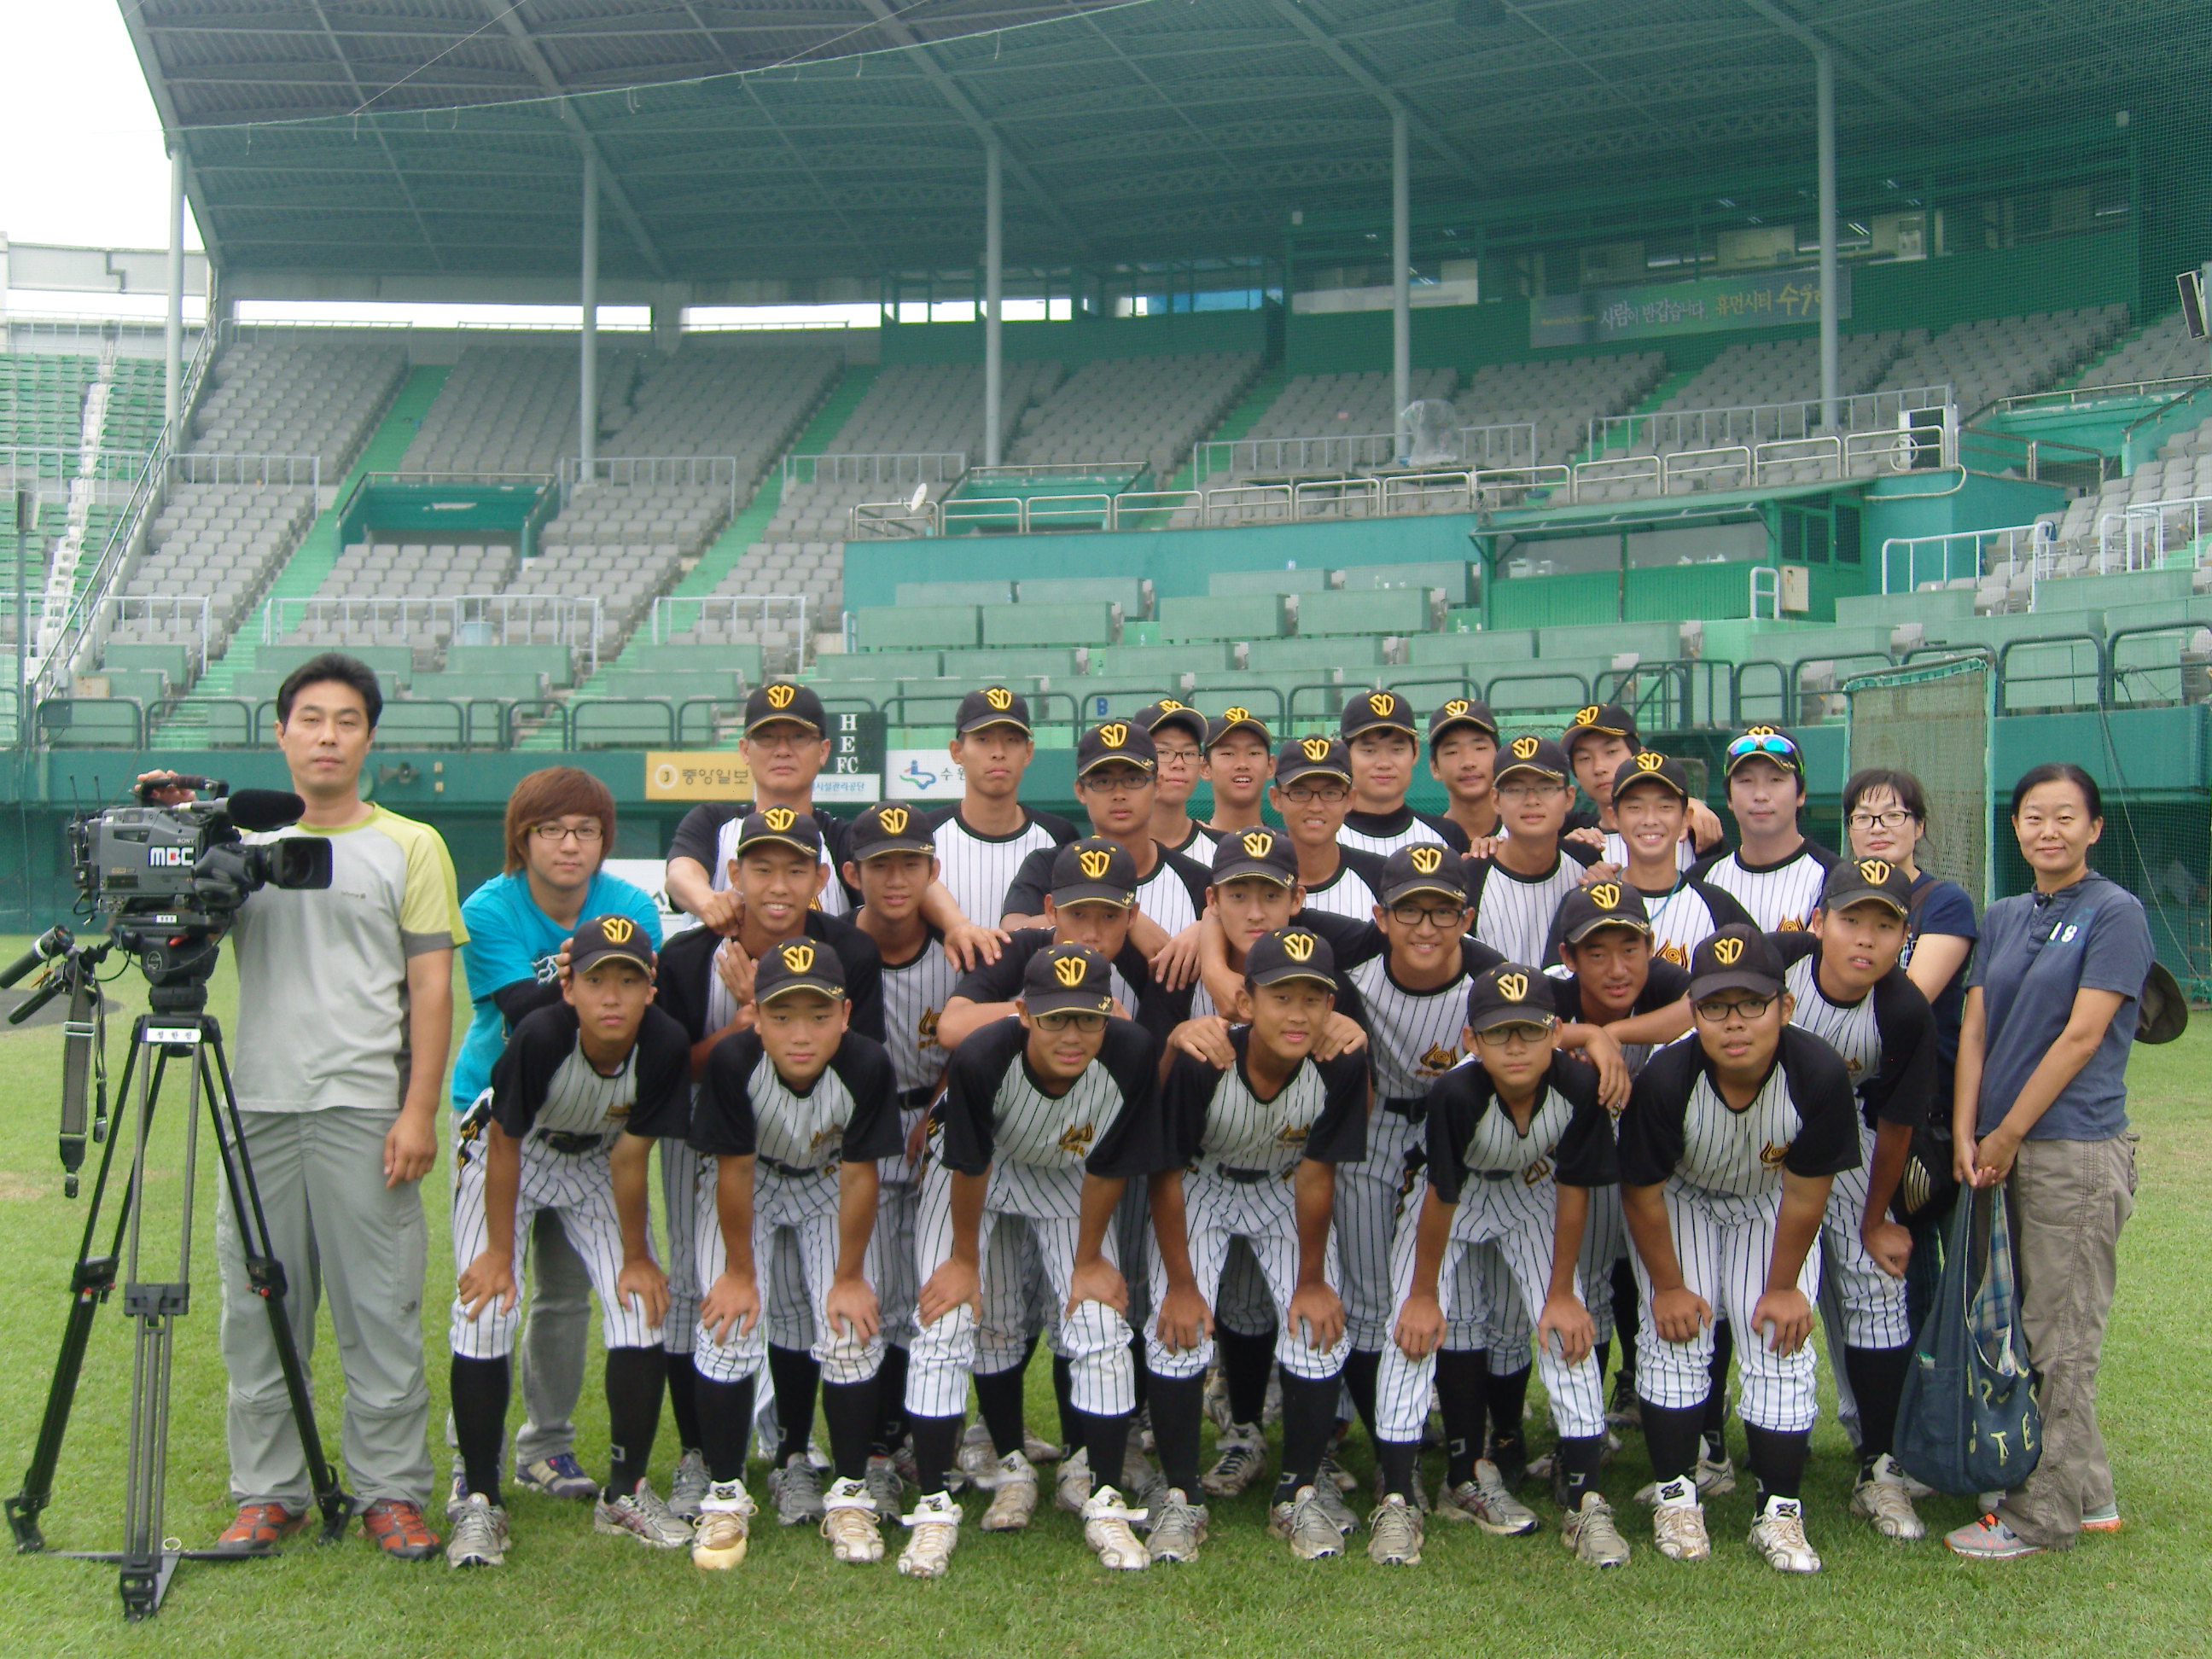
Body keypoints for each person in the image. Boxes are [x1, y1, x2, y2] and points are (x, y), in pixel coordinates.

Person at [197, 653, 463, 1560]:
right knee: (258, 1308)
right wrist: (173, 824)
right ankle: (270, 1491)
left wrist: (418, 1109)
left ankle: (390, 1491)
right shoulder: (232, 843)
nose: (326, 736)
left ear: (369, 737)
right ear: (281, 734)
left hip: (364, 1108)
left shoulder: (411, 844)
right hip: (259, 1110)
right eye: (309, 719)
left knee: (379, 1307)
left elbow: (432, 990)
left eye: (346, 721)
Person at [898, 945, 1164, 1579]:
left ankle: (1105, 1499)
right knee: (947, 1321)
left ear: (1111, 1016)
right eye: (1054, 1019)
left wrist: (1090, 1258)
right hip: (973, 1171)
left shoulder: (1132, 1053)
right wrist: (965, 1261)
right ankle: (938, 1506)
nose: (1071, 1035)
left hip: (1065, 1170)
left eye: (1087, 1019)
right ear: (1023, 1014)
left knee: (1099, 1321)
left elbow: (1106, 1166)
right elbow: (969, 1161)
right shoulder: (984, 1054)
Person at [651, 807, 885, 1525]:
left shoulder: (848, 951)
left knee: (814, 1312)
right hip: (715, 1144)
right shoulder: (691, 957)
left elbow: (854, 1064)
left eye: (794, 868)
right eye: (761, 867)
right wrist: (748, 1022)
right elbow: (673, 1072)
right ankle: (703, 1461)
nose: (777, 885)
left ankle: (795, 1459)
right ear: (734, 874)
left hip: (819, 1155)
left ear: (820, 879)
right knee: (708, 1301)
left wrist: (771, 1014)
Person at [1945, 764, 2153, 1561]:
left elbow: (2081, 1036)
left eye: (2067, 817)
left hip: (2073, 1149)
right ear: (2018, 828)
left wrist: (2007, 1135)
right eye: (2035, 817)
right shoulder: (2001, 915)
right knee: (2029, 1328)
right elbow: (1976, 1030)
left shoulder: (2116, 912)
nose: (2050, 831)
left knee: (2061, 1335)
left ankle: (2044, 1514)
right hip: (1998, 1147)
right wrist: (1969, 1131)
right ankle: (2087, 1488)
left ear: (2094, 829)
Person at [445, 916, 694, 1568]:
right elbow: (503, 1140)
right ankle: (478, 1499)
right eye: (595, 980)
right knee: (486, 1308)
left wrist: (638, 1257)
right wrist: (499, 1255)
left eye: (628, 979)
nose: (611, 996)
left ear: (651, 988)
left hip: (596, 1160)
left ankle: (625, 1491)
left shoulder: (664, 1043)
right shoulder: (541, 1034)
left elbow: (632, 1156)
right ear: (569, 989)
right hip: (508, 1153)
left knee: (640, 1305)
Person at [451, 768, 667, 1511]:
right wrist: (583, 980)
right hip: (504, 1111)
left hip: (598, 1125)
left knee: (567, 1297)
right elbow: (521, 1012)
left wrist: (593, 982)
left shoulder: (631, 904)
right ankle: (467, 1457)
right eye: (552, 830)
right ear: (523, 838)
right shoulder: (490, 906)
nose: (569, 844)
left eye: (586, 830)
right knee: (489, 1291)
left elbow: (632, 1009)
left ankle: (545, 1445)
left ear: (605, 840)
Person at [1371, 961, 1632, 1570]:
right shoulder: (1455, 1092)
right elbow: (1441, 1195)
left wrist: (1562, 1291)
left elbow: (1573, 1189)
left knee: (1568, 1330)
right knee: (1409, 1334)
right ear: (1471, 1041)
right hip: (1449, 1202)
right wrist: (1423, 1294)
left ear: (1556, 1031)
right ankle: (1394, 1499)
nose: (1515, 1046)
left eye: (1529, 1030)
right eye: (1497, 1033)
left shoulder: (1578, 1084)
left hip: (1530, 1191)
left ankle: (1588, 1502)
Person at [1616, 925, 1861, 1574]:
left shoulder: (1817, 1072)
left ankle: (1779, 1511)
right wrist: (1669, 1286)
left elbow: (1808, 1195)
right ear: (1693, 1012)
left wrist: (1784, 1287)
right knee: (1675, 1337)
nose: (1734, 1022)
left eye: (1751, 1003)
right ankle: (1677, 1496)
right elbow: (1641, 1193)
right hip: (1683, 1200)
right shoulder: (1670, 1076)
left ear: (1784, 1006)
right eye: (1715, 1006)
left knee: (1778, 1342)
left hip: (1768, 1204)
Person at [1142, 928, 1369, 1563]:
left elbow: (1319, 1171)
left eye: (1313, 998)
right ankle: (1180, 1495)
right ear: (1245, 1002)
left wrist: (1314, 1279)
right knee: (1176, 1328)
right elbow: (1167, 1170)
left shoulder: (1341, 1062)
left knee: (1319, 1326)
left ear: (1332, 1006)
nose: (1298, 1014)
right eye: (1281, 996)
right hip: (1201, 1184)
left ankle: (1297, 1493)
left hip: (1283, 1184)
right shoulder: (1204, 1058)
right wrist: (1183, 1285)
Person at [684, 939, 904, 1570]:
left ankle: (850, 1493)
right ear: (755, 1014)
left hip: (828, 1182)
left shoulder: (866, 1063)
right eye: (781, 1016)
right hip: (751, 1182)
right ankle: (725, 1497)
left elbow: (861, 1175)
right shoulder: (733, 1060)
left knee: (850, 1329)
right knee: (728, 1325)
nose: (800, 1033)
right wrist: (738, 1273)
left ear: (846, 1013)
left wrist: (849, 1277)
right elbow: (733, 1170)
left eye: (817, 1015)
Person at [1769, 858, 1941, 1542]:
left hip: (1854, 1141)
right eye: (1851, 920)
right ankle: (1718, 1449)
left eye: (1885, 924)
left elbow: (1896, 1125)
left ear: (1906, 937)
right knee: (1758, 1283)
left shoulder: (1902, 1009)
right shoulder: (1781, 962)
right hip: (1761, 1128)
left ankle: (1880, 1464)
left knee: (1874, 1286)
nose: (1866, 938)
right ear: (1818, 923)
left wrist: (1876, 1221)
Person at [1331, 847, 1505, 1482]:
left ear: (1467, 916)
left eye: (1442, 910)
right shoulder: (1351, 964)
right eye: (1410, 910)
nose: (1426, 926)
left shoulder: (1490, 977)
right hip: (1376, 1125)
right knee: (1370, 1291)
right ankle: (1388, 1446)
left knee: (1454, 1298)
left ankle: (1467, 1454)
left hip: (1459, 1130)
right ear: (1381, 915)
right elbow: (1250, 929)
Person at [842, 801, 965, 1510]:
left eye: (910, 864)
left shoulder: (955, 950)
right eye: (881, 865)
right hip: (860, 1131)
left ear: (932, 870)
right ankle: (878, 1444)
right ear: (854, 874)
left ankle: (927, 1439)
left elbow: (968, 1043)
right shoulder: (832, 950)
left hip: (932, 1119)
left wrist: (941, 1104)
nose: (896, 879)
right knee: (875, 1292)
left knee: (933, 1294)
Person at [1545, 884, 1693, 1429]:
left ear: (1650, 946)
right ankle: (1584, 1423)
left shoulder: (1661, 980)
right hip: (1565, 1154)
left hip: (1651, 1147)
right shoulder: (1551, 992)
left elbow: (1701, 1005)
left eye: (1629, 948)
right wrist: (1581, 1033)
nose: (1616, 967)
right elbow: (1513, 1033)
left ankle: (1658, 1397)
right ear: (1568, 956)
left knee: (1657, 1274)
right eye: (1597, 952)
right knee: (1588, 1280)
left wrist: (1607, 1034)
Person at [1841, 767, 1978, 1328]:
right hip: (1870, 1114)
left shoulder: (1942, 903)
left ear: (1918, 826)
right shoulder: (1834, 895)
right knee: (1904, 1277)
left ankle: (1972, 1401)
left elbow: (1909, 1000)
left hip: (1935, 1114)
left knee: (1967, 1280)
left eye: (1894, 815)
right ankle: (1916, 1408)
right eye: (1864, 817)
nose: (1878, 827)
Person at [999, 720, 1211, 943]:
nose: (1119, 794)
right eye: (1103, 781)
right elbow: (1011, 930)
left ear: (1157, 785)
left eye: (1133, 779)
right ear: (1080, 791)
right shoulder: (1046, 865)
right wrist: (1126, 920)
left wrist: (1208, 928)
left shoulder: (1195, 879)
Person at [924, 686, 1079, 929]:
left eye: (1012, 740)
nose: (998, 753)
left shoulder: (1059, 836)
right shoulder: (924, 833)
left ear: (1028, 752)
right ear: (957, 751)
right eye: (983, 739)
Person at [1609, 752, 1755, 968]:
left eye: (1665, 807)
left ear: (1686, 818)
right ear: (1615, 818)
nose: (1650, 820)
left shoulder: (1717, 904)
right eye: (1635, 808)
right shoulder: (1590, 901)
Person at [1460, 735, 1598, 964]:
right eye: (1515, 789)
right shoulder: (1471, 876)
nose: (1532, 800)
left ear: (1569, 797)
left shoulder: (1589, 862)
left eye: (1546, 787)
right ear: (1495, 799)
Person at [1692, 728, 1837, 932]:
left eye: (1775, 780)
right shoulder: (1700, 879)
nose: (1760, 795)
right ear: (1729, 798)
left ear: (1801, 793)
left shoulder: (1834, 877)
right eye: (1746, 781)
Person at [1559, 704, 1723, 869]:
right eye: (1584, 758)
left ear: (1640, 756)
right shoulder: (1569, 829)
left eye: (1611, 752)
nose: (1598, 767)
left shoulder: (1692, 830)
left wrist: (1689, 806)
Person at [1336, 690, 1470, 856]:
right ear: (1344, 753)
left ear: (1415, 751)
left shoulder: (1448, 835)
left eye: (1397, 749)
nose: (1384, 763)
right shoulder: (1322, 837)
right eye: (1369, 750)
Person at [1269, 736, 1386, 920]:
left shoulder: (1380, 877)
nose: (1316, 807)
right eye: (1300, 792)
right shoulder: (1251, 875)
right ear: (1276, 799)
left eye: (1330, 793)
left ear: (1350, 800)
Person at [1137, 698, 1217, 858]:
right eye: (1163, 752)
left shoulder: (1222, 850)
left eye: (1189, 753)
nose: (1179, 764)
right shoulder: (1109, 851)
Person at [1428, 698, 1503, 845]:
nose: (1468, 762)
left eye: (1480, 748)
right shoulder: (1423, 841)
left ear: (1500, 757)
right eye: (1452, 752)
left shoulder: (1522, 836)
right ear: (1434, 767)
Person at [1198, 708, 1274, 838]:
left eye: (1254, 753)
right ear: (1205, 768)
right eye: (1228, 753)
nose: (1242, 764)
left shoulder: (1289, 849)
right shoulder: (1181, 851)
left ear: (1270, 766)